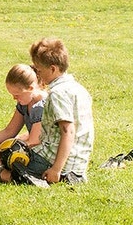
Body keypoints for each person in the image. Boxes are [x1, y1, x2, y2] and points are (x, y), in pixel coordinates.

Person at [31, 37, 94, 185]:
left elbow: (68, 131)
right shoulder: (78, 88)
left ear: (53, 69)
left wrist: (56, 169)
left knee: (7, 164)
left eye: (39, 70)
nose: (38, 75)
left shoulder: (57, 93)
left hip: (60, 164)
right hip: (78, 165)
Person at [0, 64, 49, 182]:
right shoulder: (25, 102)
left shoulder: (40, 107)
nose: (14, 98)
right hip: (32, 149)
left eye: (17, 95)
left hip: (43, 155)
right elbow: (10, 131)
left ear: (30, 88)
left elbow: (33, 141)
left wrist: (0, 149)